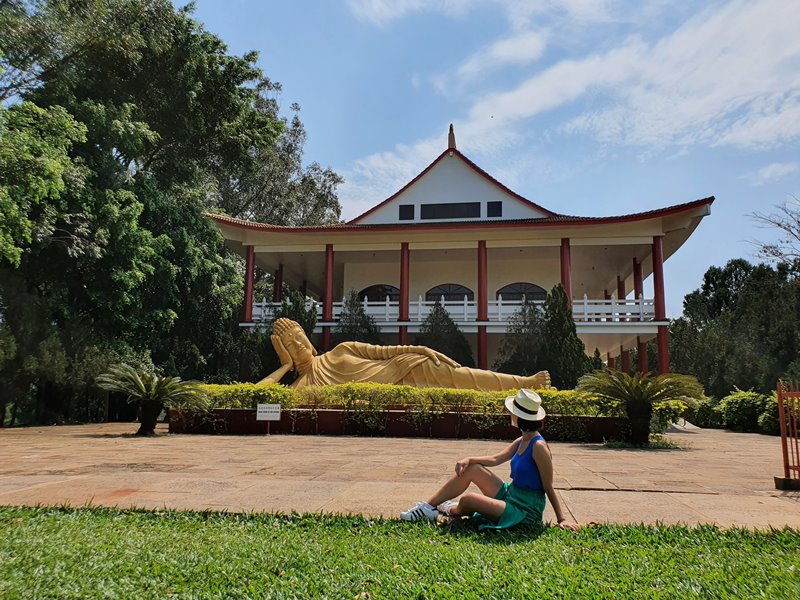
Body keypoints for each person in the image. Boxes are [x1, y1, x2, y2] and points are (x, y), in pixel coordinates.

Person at [400, 388, 579, 531]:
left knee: (468, 499)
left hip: (525, 510)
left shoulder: (538, 446)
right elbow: (495, 459)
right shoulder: (522, 440)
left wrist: (561, 519)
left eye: (512, 412)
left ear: (520, 417)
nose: (510, 414)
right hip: (512, 495)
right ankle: (427, 507)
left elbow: (548, 486)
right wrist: (469, 459)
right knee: (472, 469)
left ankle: (448, 509)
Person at [257, 318, 552, 392]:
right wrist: (284, 366)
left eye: (300, 338)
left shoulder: (341, 349)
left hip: (405, 367)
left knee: (462, 377)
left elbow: (387, 352)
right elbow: (258, 395)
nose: (299, 345)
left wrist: (421, 348)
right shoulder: (301, 388)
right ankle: (523, 384)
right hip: (395, 391)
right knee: (461, 382)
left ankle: (523, 383)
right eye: (290, 345)